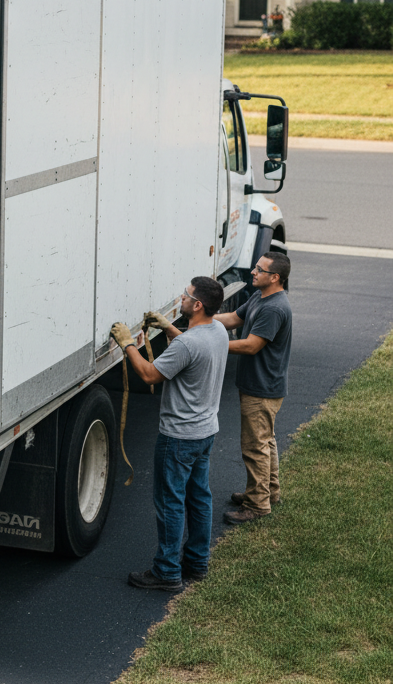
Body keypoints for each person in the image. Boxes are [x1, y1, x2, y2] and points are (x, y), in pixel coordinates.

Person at [111, 276, 228, 592]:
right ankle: (197, 562)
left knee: (171, 502)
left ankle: (166, 572)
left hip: (178, 438)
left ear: (198, 304)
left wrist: (128, 344)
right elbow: (189, 348)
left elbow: (150, 373)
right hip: (205, 433)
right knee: (199, 497)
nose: (182, 297)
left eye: (186, 295)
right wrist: (167, 327)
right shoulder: (216, 331)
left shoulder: (189, 343)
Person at [214, 251, 293, 525]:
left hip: (262, 388)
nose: (253, 272)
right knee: (265, 441)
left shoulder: (274, 308)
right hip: (260, 385)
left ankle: (257, 505)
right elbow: (235, 319)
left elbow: (251, 345)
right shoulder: (260, 296)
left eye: (259, 269)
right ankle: (268, 492)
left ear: (275, 277)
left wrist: (210, 344)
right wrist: (204, 322)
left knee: (254, 446)